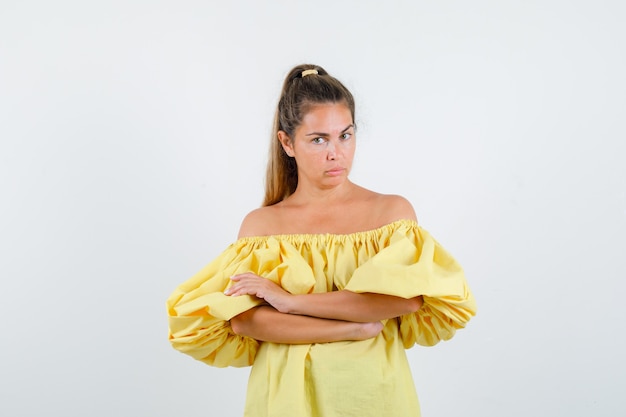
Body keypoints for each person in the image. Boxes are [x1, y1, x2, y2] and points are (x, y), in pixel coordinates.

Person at [166, 64, 476, 417]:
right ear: (287, 143)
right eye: (319, 140)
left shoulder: (389, 213)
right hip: (285, 400)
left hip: (372, 397)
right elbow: (245, 321)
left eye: (345, 135)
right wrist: (353, 327)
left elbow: (403, 301)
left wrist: (289, 302)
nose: (336, 153)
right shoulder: (262, 227)